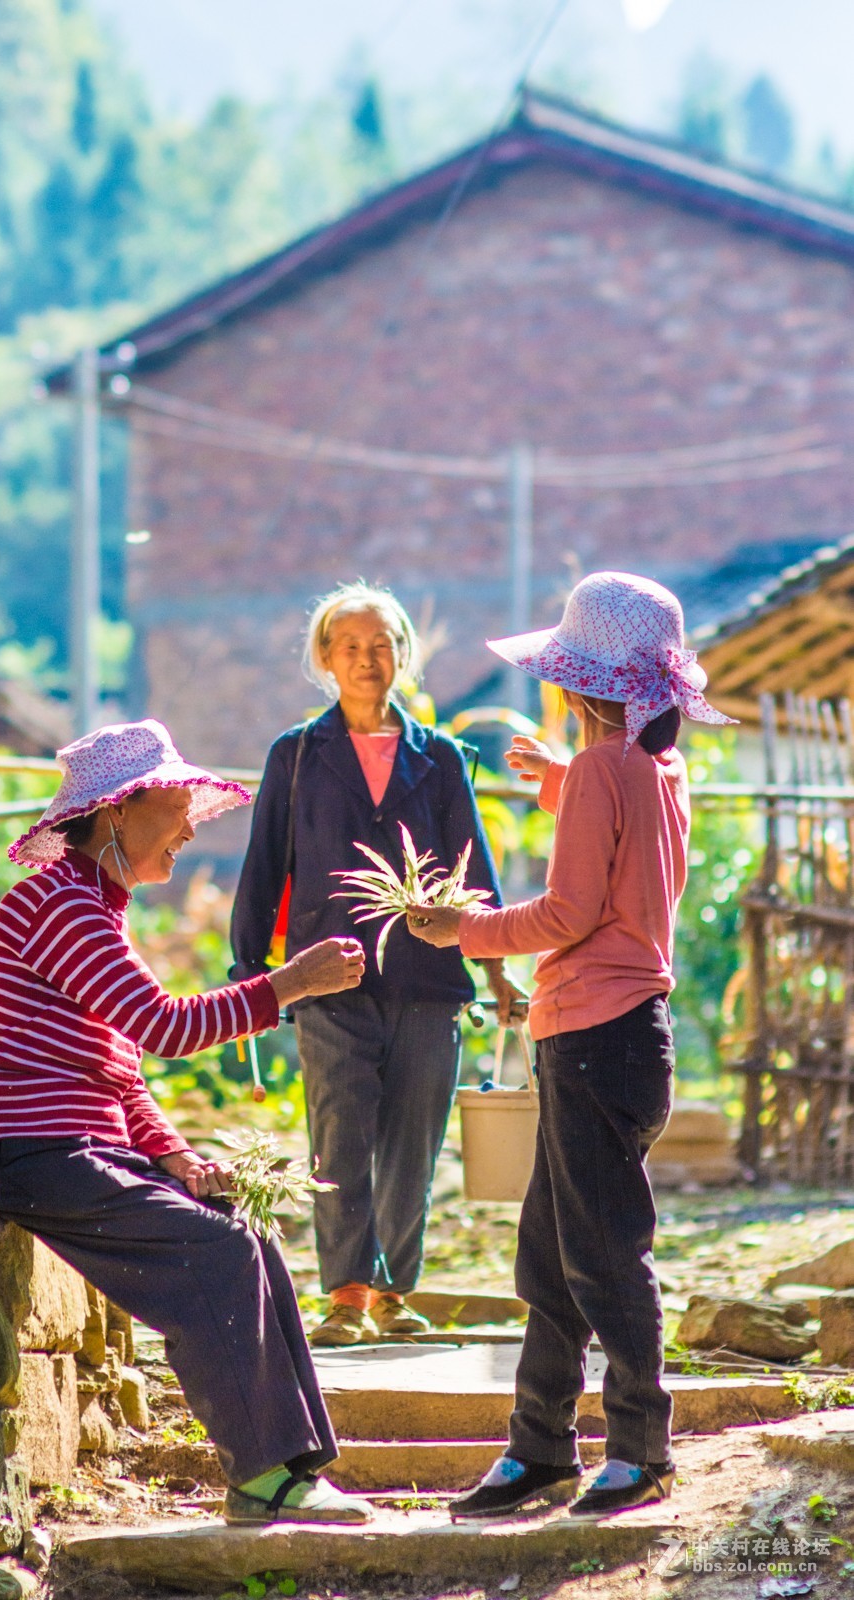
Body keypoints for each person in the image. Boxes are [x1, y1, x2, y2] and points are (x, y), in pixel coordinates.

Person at [0, 718, 374, 1526]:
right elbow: (163, 1028)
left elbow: (119, 1066)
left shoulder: (93, 904)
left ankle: (295, 1464)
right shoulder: (59, 903)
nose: (185, 829)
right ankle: (260, 1477)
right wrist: (290, 984)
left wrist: (170, 1152)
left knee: (244, 1226)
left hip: (70, 1142)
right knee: (212, 1253)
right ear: (115, 815)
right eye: (173, 807)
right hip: (20, 1145)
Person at [407, 571, 734, 1519]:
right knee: (549, 1261)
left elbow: (568, 910)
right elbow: (627, 851)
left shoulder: (603, 771)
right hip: (629, 1043)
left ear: (577, 686)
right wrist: (560, 780)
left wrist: (455, 929)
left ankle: (639, 1446)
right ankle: (537, 1448)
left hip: (592, 1036)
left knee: (599, 1259)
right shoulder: (655, 770)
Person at [230, 581, 523, 1348]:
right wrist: (247, 972)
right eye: (350, 646)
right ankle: (345, 1294)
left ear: (403, 654)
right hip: (327, 974)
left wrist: (495, 966)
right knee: (339, 1130)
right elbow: (263, 868)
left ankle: (394, 1291)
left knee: (413, 1135)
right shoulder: (295, 756)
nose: (367, 659)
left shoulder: (442, 759)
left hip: (428, 978)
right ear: (324, 658)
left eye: (381, 644)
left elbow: (473, 868)